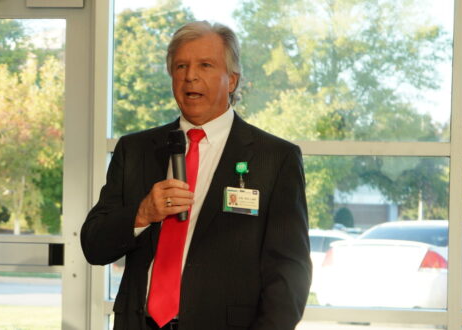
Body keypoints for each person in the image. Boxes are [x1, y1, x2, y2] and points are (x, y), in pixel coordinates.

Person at [81, 21, 310, 330]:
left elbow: (289, 273)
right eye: (180, 66)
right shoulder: (135, 150)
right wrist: (142, 213)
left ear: (231, 80)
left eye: (205, 65)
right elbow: (94, 245)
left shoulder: (275, 158)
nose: (190, 76)